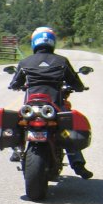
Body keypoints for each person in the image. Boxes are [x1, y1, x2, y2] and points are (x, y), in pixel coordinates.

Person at [8, 26, 92, 179]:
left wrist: (15, 85)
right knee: (68, 128)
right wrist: (79, 87)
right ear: (52, 42)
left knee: (20, 120)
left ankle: (16, 148)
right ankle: (78, 163)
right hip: (54, 106)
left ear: (34, 42)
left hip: (31, 107)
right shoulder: (61, 61)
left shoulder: (25, 62)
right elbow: (75, 82)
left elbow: (14, 83)